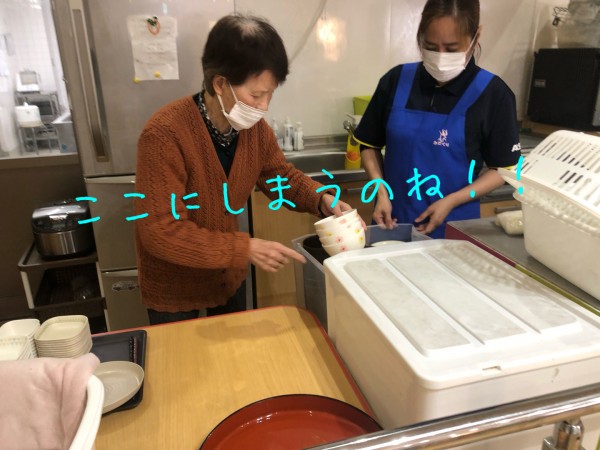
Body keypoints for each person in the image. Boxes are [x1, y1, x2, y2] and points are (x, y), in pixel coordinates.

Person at [134, 14, 355, 325]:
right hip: (175, 288)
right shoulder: (164, 133)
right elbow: (160, 231)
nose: (264, 107)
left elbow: (279, 176)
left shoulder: (255, 131)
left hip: (226, 277)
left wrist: (320, 198)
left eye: (270, 94)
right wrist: (244, 248)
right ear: (220, 84)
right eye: (256, 95)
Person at [353, 0, 521, 238]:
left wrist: (452, 200)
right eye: (431, 47)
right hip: (391, 224)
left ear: (476, 37)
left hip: (454, 229)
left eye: (452, 49)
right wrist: (380, 191)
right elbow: (369, 144)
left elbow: (504, 170)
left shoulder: (493, 94)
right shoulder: (396, 80)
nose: (441, 57)